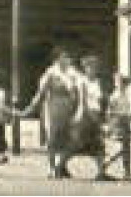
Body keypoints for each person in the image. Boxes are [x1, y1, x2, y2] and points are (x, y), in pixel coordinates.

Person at [22, 51, 84, 179]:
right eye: (65, 57)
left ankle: (60, 166)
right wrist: (32, 106)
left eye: (68, 57)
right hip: (53, 109)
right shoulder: (51, 73)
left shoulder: (73, 72)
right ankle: (52, 168)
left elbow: (81, 86)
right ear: (58, 59)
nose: (68, 59)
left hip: (69, 109)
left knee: (71, 139)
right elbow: (41, 91)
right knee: (53, 139)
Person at [106, 75, 131, 180]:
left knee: (126, 149)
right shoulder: (114, 96)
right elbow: (109, 112)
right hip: (118, 122)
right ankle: (106, 163)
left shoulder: (126, 95)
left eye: (122, 82)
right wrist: (111, 125)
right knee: (122, 148)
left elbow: (129, 110)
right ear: (116, 84)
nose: (121, 84)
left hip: (125, 122)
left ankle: (127, 172)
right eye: (118, 82)